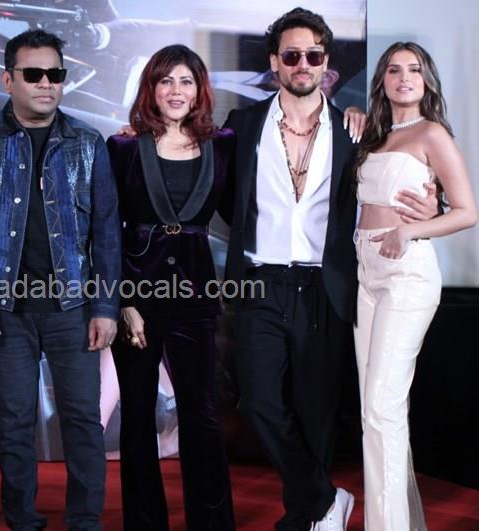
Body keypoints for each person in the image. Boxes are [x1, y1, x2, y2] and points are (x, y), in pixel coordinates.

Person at [222, 8, 438, 531]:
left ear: (326, 64)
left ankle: (308, 518)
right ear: (275, 62)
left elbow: (396, 183)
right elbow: (224, 197)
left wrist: (431, 208)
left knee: (316, 410)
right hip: (260, 281)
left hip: (326, 285)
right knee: (258, 401)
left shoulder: (354, 130)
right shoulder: (241, 125)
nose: (303, 64)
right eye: (291, 55)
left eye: (313, 55)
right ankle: (324, 498)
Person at [0, 29, 120, 530]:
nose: (47, 83)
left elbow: (107, 232)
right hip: (5, 311)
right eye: (34, 74)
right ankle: (22, 521)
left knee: (84, 422)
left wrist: (105, 307)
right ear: (8, 80)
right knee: (14, 426)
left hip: (73, 309)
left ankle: (84, 522)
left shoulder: (87, 143)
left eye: (55, 74)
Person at [106, 44, 235, 530]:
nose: (176, 91)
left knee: (200, 413)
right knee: (138, 415)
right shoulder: (122, 148)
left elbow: (245, 208)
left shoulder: (223, 145)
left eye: (185, 81)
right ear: (152, 89)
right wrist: (123, 302)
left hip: (196, 297)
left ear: (199, 90)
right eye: (166, 81)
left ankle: (213, 523)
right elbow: (106, 229)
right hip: (138, 299)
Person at [353, 42, 476, 530]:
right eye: (394, 70)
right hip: (365, 271)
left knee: (381, 408)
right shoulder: (375, 135)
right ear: (382, 80)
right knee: (375, 411)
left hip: (406, 272)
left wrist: (410, 230)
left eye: (415, 70)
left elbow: (467, 212)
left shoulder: (432, 133)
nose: (404, 78)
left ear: (426, 81)